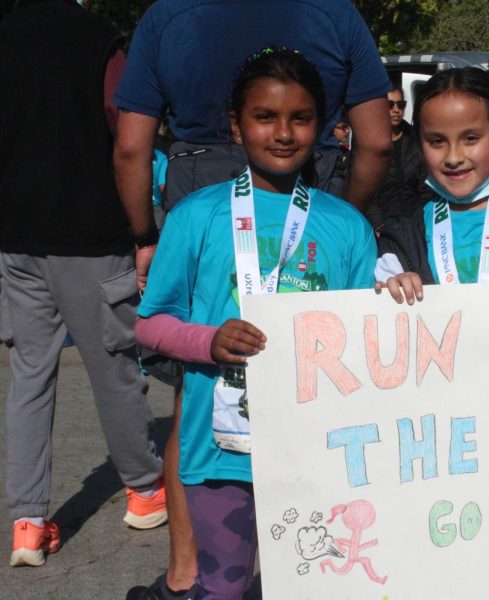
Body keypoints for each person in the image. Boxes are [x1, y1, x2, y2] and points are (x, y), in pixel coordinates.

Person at [113, 2, 391, 596]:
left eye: (301, 118)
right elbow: (151, 324)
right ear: (236, 126)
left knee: (316, 586)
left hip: (316, 451)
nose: (284, 133)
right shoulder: (195, 217)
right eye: (264, 117)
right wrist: (208, 341)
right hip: (220, 456)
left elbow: (369, 334)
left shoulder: (345, 227)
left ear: (324, 126)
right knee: (224, 588)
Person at [0, 0, 165, 568]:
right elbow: (127, 132)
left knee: (29, 371)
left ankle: (26, 522)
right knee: (113, 365)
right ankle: (145, 489)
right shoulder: (97, 37)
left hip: (17, 232)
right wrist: (143, 227)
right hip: (91, 228)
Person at [375, 67, 489, 297]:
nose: (454, 158)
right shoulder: (401, 236)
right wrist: (394, 287)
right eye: (436, 141)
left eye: (471, 138)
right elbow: (381, 307)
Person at [366, 87, 429, 229]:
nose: (396, 110)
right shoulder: (368, 143)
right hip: (382, 225)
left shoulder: (416, 139)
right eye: (390, 105)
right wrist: (378, 225)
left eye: (400, 104)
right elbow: (365, 190)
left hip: (416, 223)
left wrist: (425, 218)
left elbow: (426, 185)